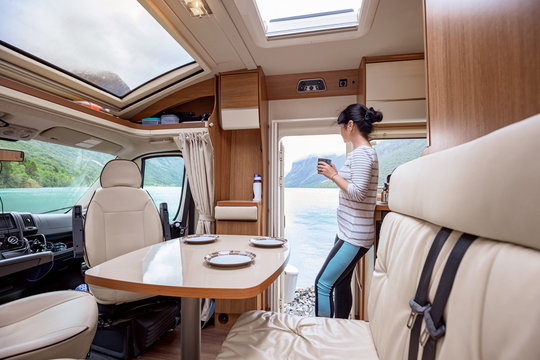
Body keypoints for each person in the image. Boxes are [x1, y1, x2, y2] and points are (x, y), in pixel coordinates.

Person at [315, 104, 383, 318]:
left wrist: (333, 176)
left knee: (322, 284)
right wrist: (337, 174)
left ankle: (321, 335)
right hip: (349, 232)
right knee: (342, 283)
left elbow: (359, 192)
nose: (341, 131)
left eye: (342, 126)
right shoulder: (363, 153)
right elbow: (355, 186)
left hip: (354, 235)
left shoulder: (362, 154)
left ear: (350, 125)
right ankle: (340, 332)